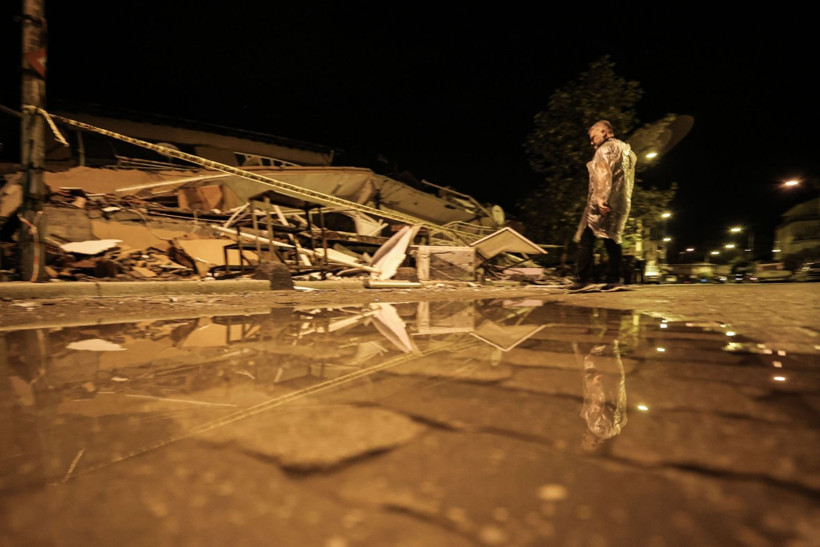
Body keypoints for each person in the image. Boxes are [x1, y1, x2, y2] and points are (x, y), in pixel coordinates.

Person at [570, 120, 637, 292]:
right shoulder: (627, 150)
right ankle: (615, 279)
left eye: (593, 138)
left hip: (604, 201)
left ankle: (583, 279)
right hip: (621, 201)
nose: (591, 143)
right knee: (611, 240)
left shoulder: (604, 149)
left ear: (604, 132)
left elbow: (603, 173)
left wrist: (600, 198)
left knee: (586, 238)